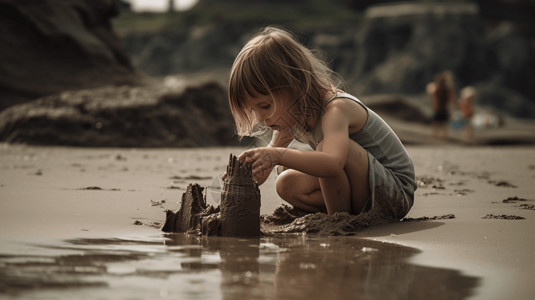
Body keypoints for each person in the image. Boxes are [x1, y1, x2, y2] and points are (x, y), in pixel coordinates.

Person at [228, 27, 416, 221]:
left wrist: (275, 155)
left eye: (265, 106)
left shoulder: (336, 110)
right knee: (285, 180)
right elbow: (273, 156)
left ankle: (338, 221)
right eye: (252, 110)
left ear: (294, 86)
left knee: (323, 151)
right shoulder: (292, 116)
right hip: (366, 189)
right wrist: (254, 172)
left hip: (395, 193)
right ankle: (340, 213)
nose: (260, 118)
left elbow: (333, 164)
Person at [426, 71, 456, 139]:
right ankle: (438, 136)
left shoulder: (441, 88)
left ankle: (438, 136)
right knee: (439, 123)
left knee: (440, 123)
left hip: (440, 108)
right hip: (440, 108)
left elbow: (430, 91)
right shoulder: (442, 88)